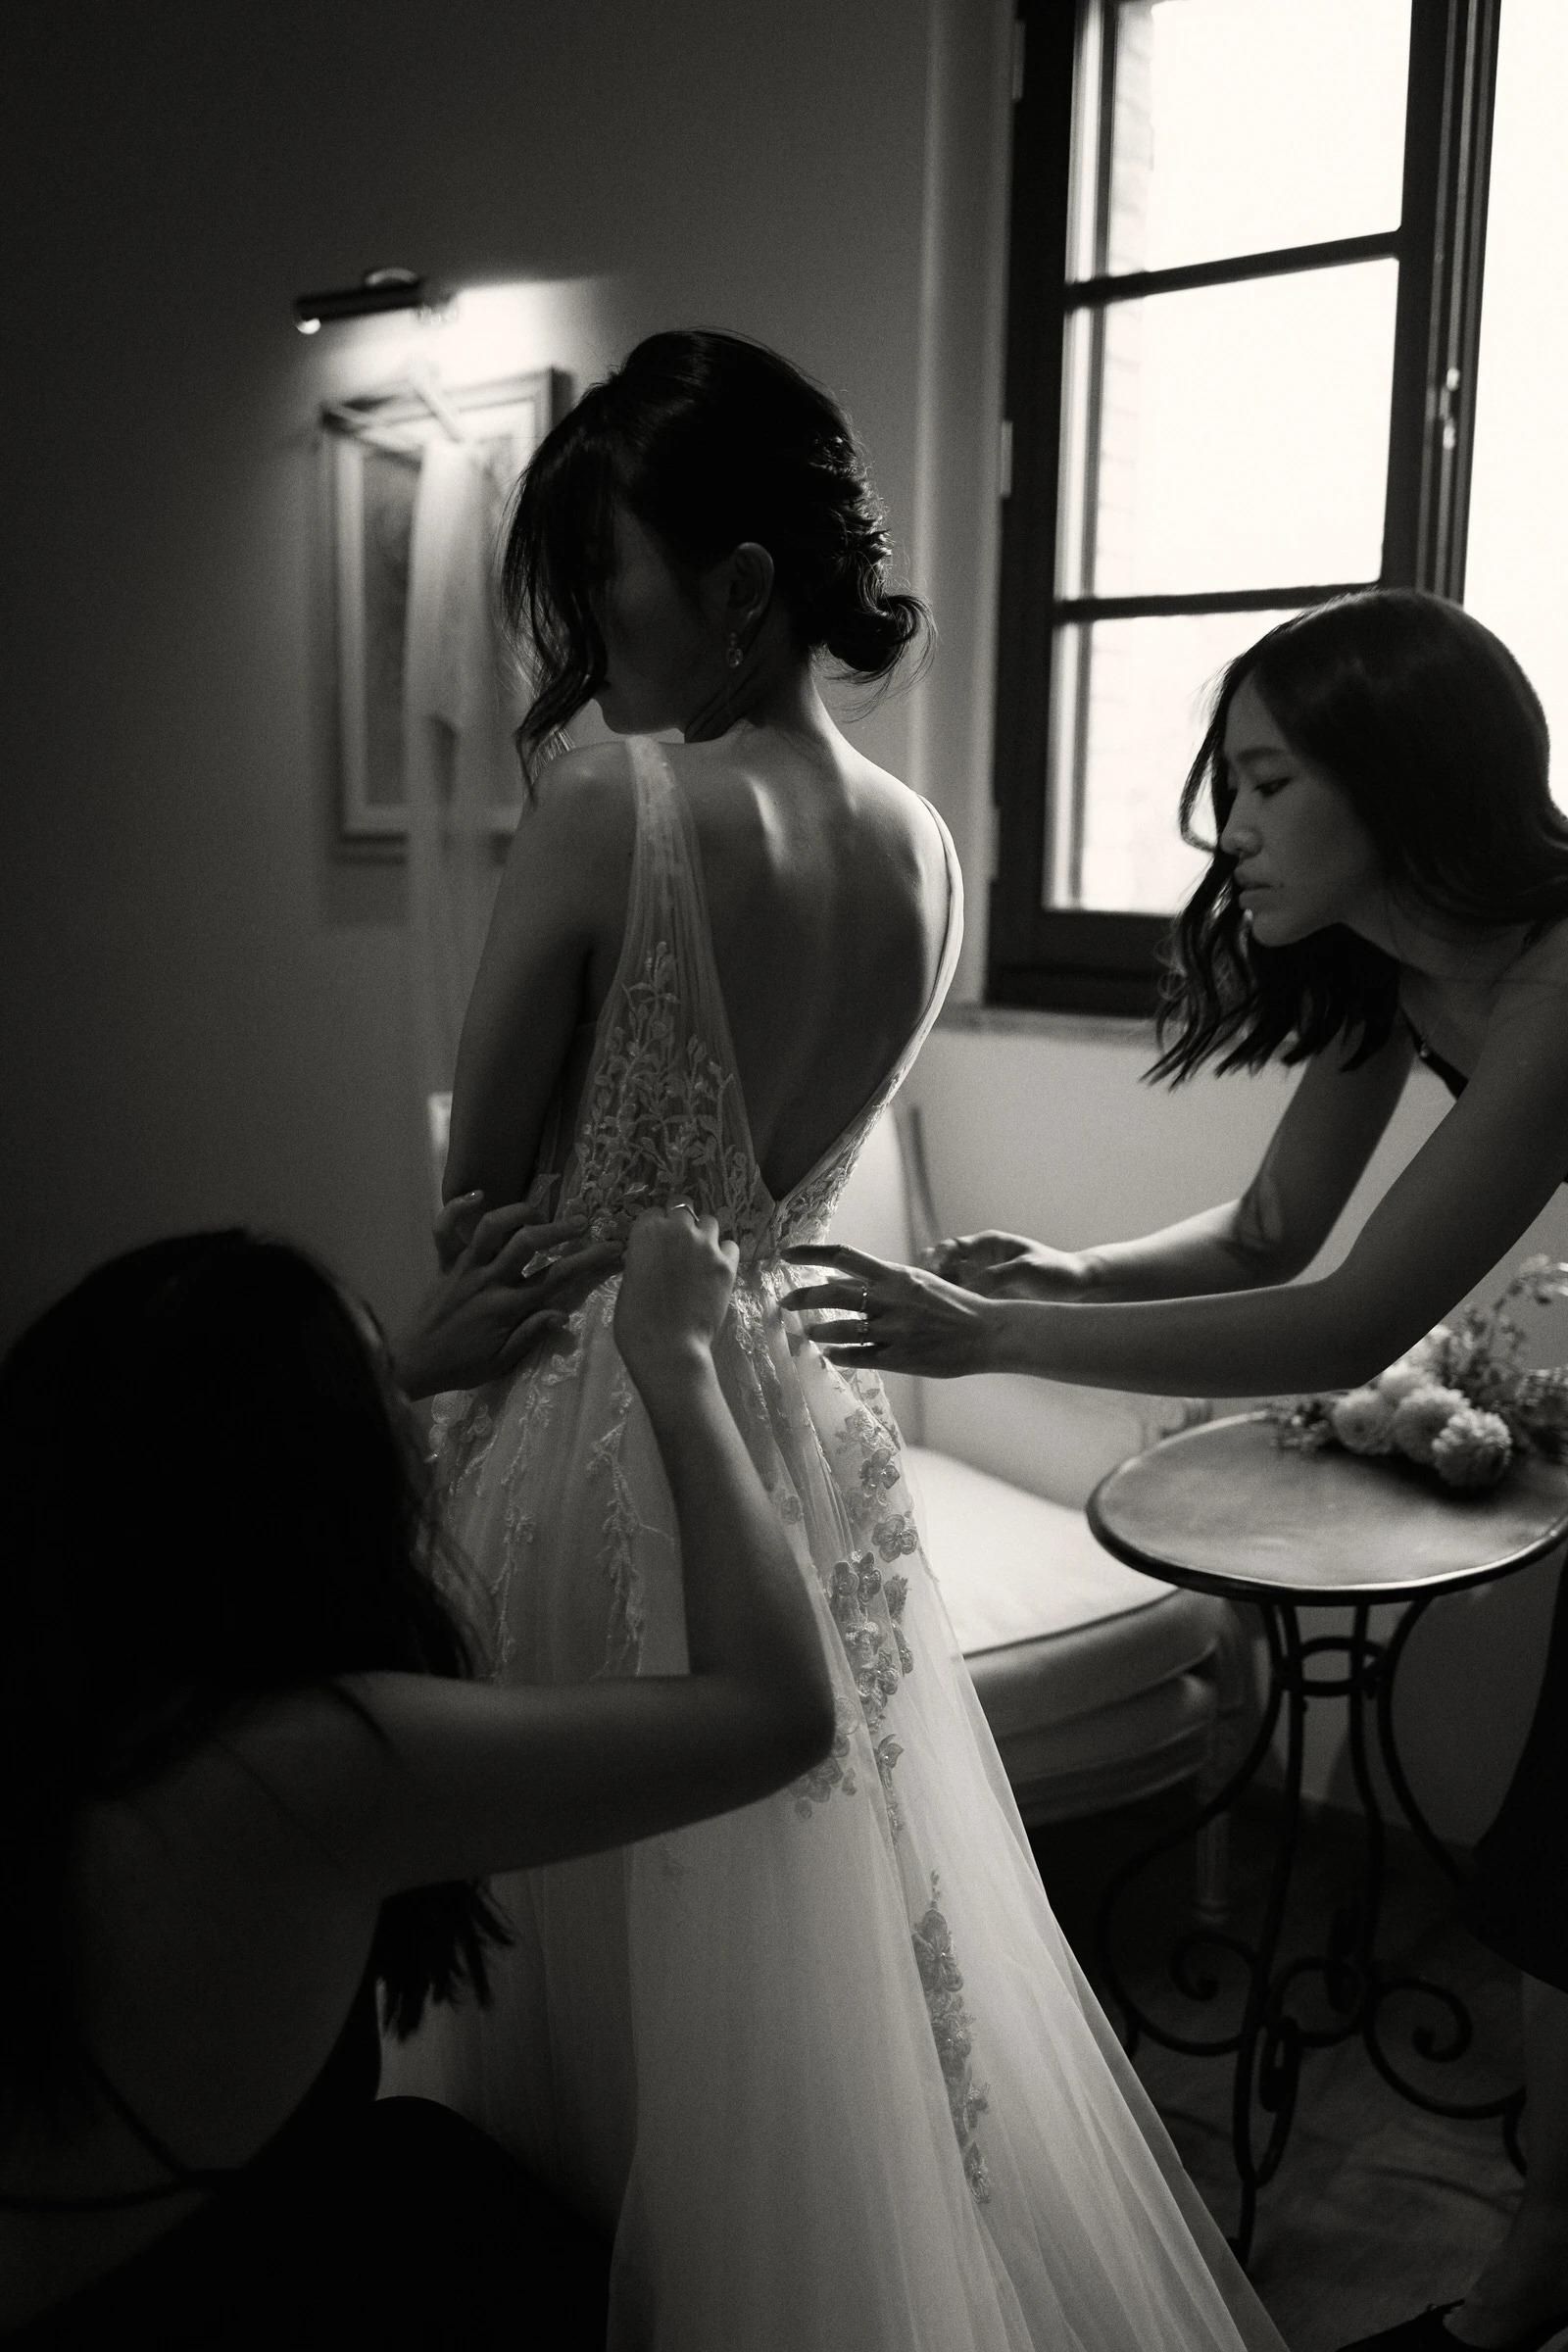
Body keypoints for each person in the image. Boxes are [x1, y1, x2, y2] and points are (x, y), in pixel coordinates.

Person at [383, 325, 1288, 2351]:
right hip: (792, 1449)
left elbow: (484, 1216)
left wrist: (498, 1265)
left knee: (564, 1971)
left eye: (601, 576)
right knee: (803, 1987)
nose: (579, 628)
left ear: (736, 589)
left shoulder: (610, 807)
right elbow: (783, 1175)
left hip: (587, 1445)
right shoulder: (930, 854)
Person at [782, 588, 1568, 2352]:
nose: (1231, 828)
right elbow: (1278, 1224)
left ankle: (1517, 2297)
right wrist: (1062, 1276)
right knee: (1553, 1902)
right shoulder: (1394, 969)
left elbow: (1339, 1315)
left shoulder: (1558, 979)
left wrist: (993, 1344)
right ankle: (1526, 2290)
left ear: (1402, 782)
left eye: (1274, 782)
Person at [0, 1201, 837, 2346]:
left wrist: (380, 1371)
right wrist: (677, 1361)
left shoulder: (69, 1682)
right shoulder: (303, 1769)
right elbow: (776, 1714)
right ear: (314, 1480)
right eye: (377, 1394)